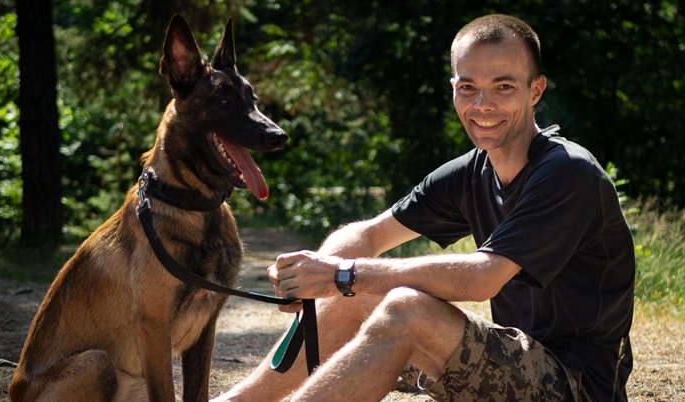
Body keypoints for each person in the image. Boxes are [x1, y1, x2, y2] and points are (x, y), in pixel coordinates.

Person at [214, 14, 634, 402]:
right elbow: (373, 234)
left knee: (402, 308)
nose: (482, 104)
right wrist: (313, 274)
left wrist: (339, 274)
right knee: (348, 296)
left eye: (503, 87)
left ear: (535, 90)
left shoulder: (567, 171)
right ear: (453, 88)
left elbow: (482, 278)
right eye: (468, 87)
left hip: (576, 386)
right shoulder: (473, 172)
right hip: (515, 360)